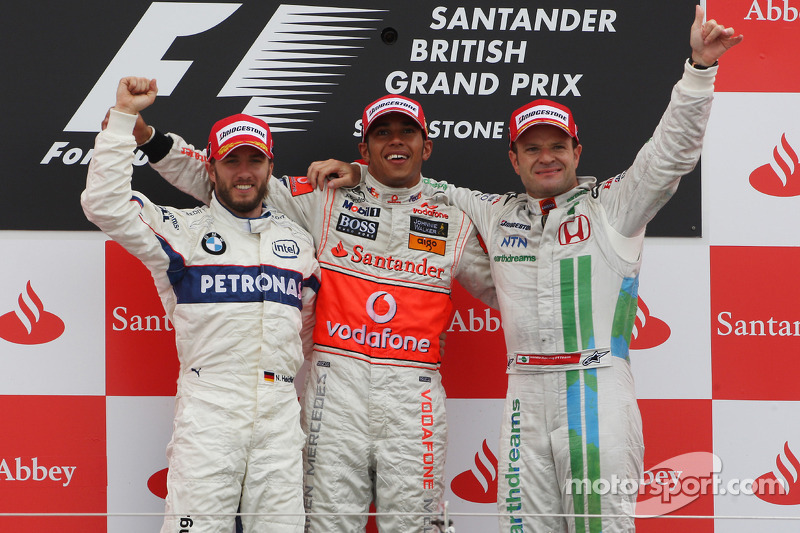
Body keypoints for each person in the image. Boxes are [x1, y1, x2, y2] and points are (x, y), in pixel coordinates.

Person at [327, 6, 743, 532]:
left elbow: (671, 154)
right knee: (522, 526)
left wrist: (699, 71)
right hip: (523, 389)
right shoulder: (496, 212)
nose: (546, 157)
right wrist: (362, 171)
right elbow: (418, 184)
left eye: (557, 146)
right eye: (532, 148)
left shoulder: (613, 205)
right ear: (514, 159)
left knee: (599, 526)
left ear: (577, 152)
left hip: (594, 385)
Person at [134, 94, 496, 532]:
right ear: (364, 149)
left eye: (407, 133)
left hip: (413, 392)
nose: (395, 142)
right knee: (327, 525)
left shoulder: (453, 221)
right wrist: (153, 143)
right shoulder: (326, 197)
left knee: (416, 527)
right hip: (335, 386)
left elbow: (511, 288)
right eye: (382, 133)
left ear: (427, 145)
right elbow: (228, 180)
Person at [82, 77, 321, 533]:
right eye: (232, 161)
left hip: (279, 411)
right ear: (211, 169)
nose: (244, 172)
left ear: (271, 168)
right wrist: (122, 122)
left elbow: (305, 331)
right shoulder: (182, 230)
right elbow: (103, 204)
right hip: (211, 407)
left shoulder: (298, 240)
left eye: (255, 160)